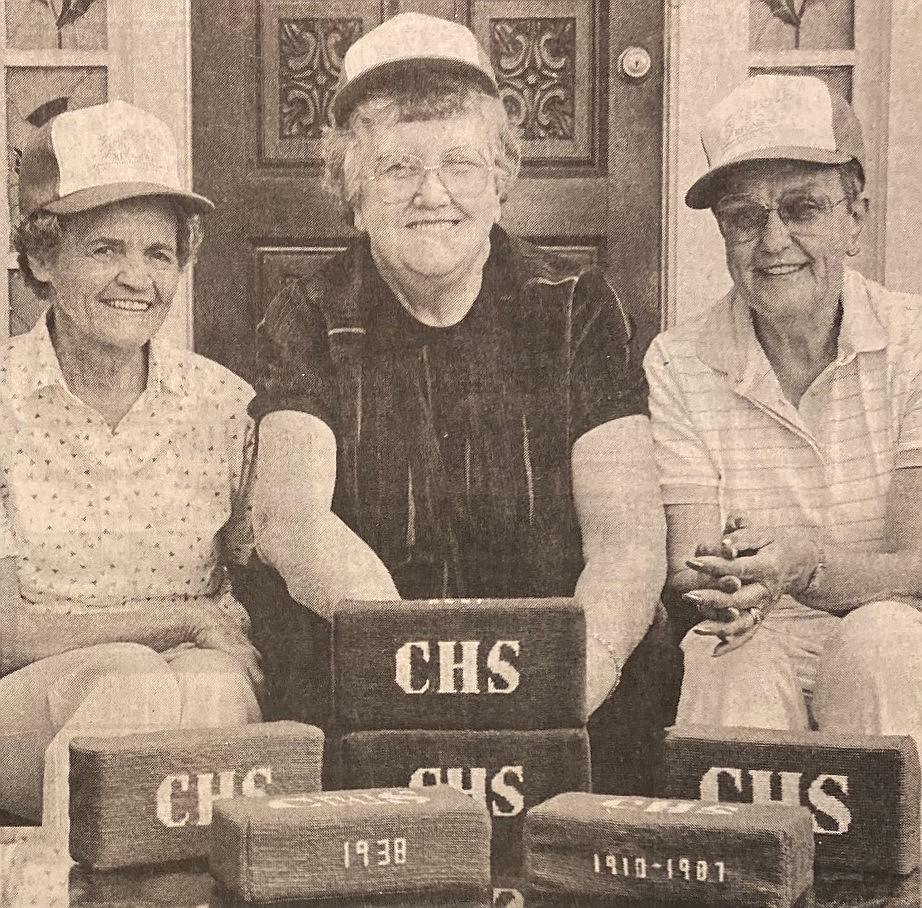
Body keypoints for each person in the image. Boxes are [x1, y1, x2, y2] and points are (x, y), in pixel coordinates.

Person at [244, 13, 668, 788]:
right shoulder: (307, 312)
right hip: (371, 705)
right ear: (352, 188)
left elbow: (628, 541)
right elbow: (289, 519)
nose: (431, 193)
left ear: (502, 182)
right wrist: (430, 684)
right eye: (398, 166)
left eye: (461, 164)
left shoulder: (577, 307)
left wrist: (562, 690)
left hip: (563, 706)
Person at [2, 100, 262, 833]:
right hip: (22, 709)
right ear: (45, 257)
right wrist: (178, 619)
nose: (136, 278)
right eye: (106, 249)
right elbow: (3, 631)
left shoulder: (222, 406)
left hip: (189, 688)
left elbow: (252, 598)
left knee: (212, 683)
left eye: (159, 253)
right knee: (130, 680)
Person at [645, 74, 922, 750]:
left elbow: (917, 564)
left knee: (880, 643)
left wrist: (804, 565)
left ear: (854, 218)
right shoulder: (680, 361)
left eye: (801, 208)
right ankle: (743, 857)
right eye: (744, 216)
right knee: (721, 651)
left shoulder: (913, 343)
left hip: (894, 636)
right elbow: (689, 566)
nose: (772, 241)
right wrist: (733, 574)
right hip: (757, 632)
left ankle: (899, 858)